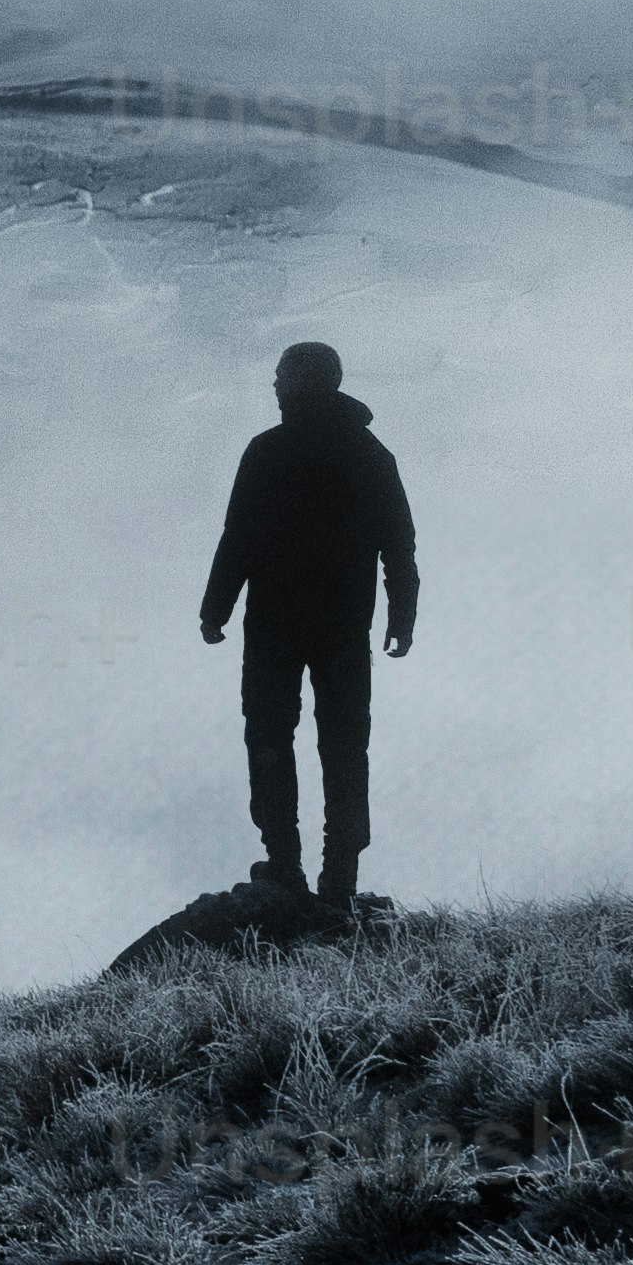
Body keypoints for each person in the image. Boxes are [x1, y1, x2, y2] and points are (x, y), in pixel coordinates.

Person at [199, 336, 417, 921]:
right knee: (346, 747)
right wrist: (402, 614)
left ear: (298, 383)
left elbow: (237, 537)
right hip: (345, 628)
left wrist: (215, 609)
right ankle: (339, 879)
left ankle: (285, 869)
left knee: (270, 739)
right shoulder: (372, 454)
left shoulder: (267, 451)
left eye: (279, 376)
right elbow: (399, 544)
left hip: (274, 627)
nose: (272, 385)